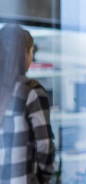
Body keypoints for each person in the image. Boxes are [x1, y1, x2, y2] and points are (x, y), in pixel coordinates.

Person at [0, 24, 55, 184]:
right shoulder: (31, 92)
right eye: (31, 51)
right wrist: (42, 178)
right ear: (24, 54)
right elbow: (45, 148)